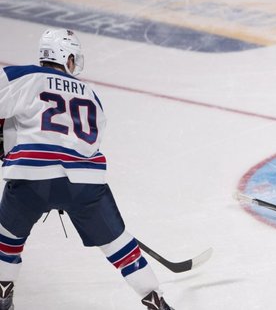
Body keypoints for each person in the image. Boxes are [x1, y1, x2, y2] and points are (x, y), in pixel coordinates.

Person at [0, 29, 174, 310]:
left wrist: (7, 141)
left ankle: (3, 291)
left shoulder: (21, 76)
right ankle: (155, 299)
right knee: (118, 244)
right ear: (66, 57)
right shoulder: (91, 93)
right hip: (85, 182)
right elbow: (89, 140)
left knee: (6, 239)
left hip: (32, 176)